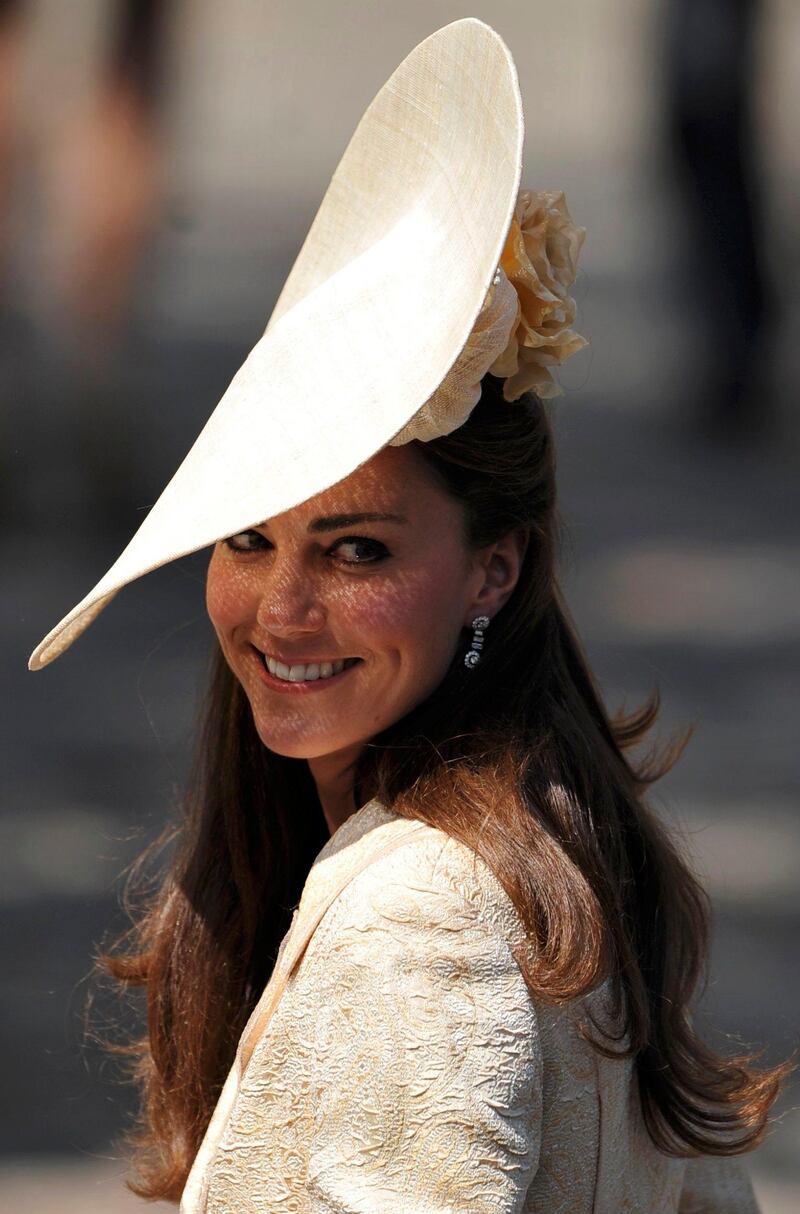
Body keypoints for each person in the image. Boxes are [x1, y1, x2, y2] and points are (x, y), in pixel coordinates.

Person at [28, 19, 791, 1212]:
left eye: (357, 549)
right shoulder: (555, 838)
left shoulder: (416, 922)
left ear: (493, 569)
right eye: (248, 535)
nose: (280, 606)